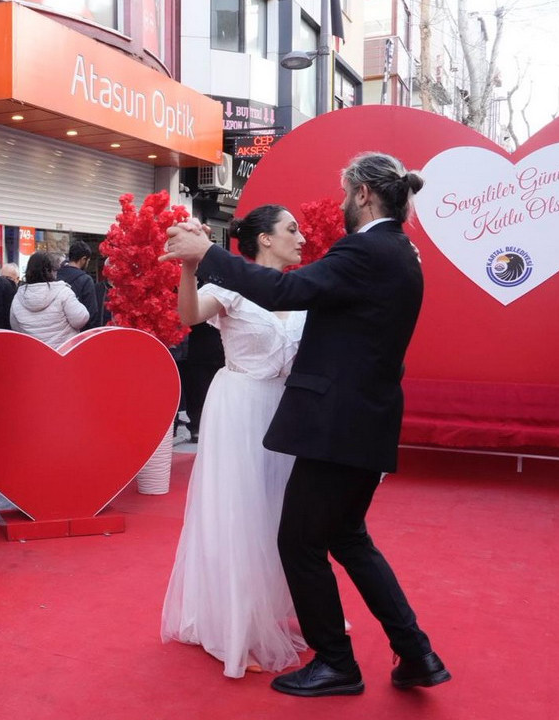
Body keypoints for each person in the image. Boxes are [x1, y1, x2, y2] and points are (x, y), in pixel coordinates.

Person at [162, 152, 449, 697]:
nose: (339, 205)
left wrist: (208, 253)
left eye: (345, 193)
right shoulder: (402, 250)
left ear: (363, 193)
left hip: (335, 427)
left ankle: (338, 663)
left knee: (298, 542)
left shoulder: (364, 250)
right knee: (348, 538)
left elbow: (283, 292)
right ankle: (416, 652)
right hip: (363, 421)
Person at [161, 205, 308, 679]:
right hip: (240, 407)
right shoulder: (230, 287)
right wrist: (190, 267)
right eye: (292, 230)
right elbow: (188, 315)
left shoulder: (301, 293)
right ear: (265, 239)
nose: (301, 238)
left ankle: (281, 608)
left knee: (279, 514)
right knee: (239, 515)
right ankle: (236, 626)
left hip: (285, 410)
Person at [9, 251, 89, 349]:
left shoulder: (18, 297)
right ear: (51, 271)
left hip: (33, 353)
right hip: (63, 352)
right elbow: (81, 319)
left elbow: (15, 327)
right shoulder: (63, 291)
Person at [56, 241, 100, 329]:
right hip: (78, 332)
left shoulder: (55, 276)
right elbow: (91, 313)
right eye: (88, 261)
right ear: (83, 259)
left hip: (57, 329)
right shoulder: (86, 280)